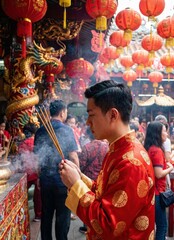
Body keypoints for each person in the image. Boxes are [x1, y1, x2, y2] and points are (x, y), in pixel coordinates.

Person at [59, 80, 155, 240]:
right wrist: (79, 177)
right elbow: (105, 193)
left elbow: (109, 225)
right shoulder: (117, 149)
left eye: (91, 115)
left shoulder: (131, 162)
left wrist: (76, 185)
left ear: (112, 115)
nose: (88, 122)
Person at [34, 100, 79, 240]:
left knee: (46, 214)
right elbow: (73, 156)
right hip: (63, 179)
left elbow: (37, 158)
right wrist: (77, 177)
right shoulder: (67, 130)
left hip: (46, 179)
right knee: (62, 216)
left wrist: (38, 177)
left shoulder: (41, 130)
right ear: (62, 112)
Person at [144, 121, 173, 239]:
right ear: (158, 133)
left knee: (156, 226)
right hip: (157, 193)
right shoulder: (156, 150)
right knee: (162, 227)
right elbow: (159, 173)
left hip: (152, 192)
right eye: (164, 131)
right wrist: (170, 168)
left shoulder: (150, 148)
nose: (166, 133)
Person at [78, 127, 109, 233]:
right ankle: (98, 226)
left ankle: (87, 226)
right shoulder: (107, 147)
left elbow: (81, 165)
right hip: (101, 179)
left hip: (88, 180)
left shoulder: (86, 148)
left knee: (87, 201)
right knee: (99, 203)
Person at [18, 122, 42, 222]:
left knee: (22, 197)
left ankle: (21, 217)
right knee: (38, 196)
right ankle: (38, 215)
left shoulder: (22, 144)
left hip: (25, 173)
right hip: (36, 172)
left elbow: (20, 159)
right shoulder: (36, 142)